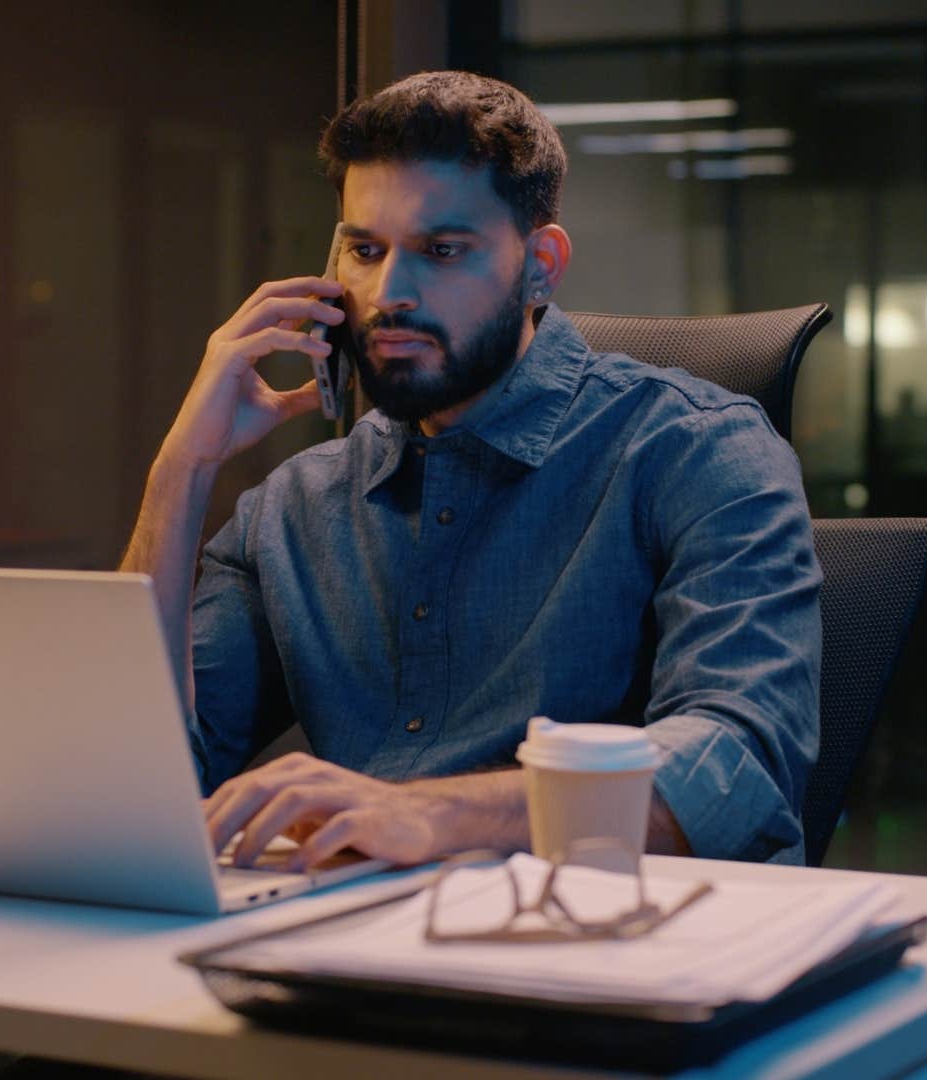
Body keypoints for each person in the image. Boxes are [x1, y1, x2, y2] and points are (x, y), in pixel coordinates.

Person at [119, 71, 820, 872]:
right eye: (365, 250)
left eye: (442, 250)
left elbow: (738, 768)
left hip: (603, 949)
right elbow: (132, 780)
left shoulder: (697, 450)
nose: (390, 295)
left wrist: (426, 812)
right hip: (348, 939)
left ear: (541, 265)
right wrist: (181, 470)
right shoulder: (294, 507)